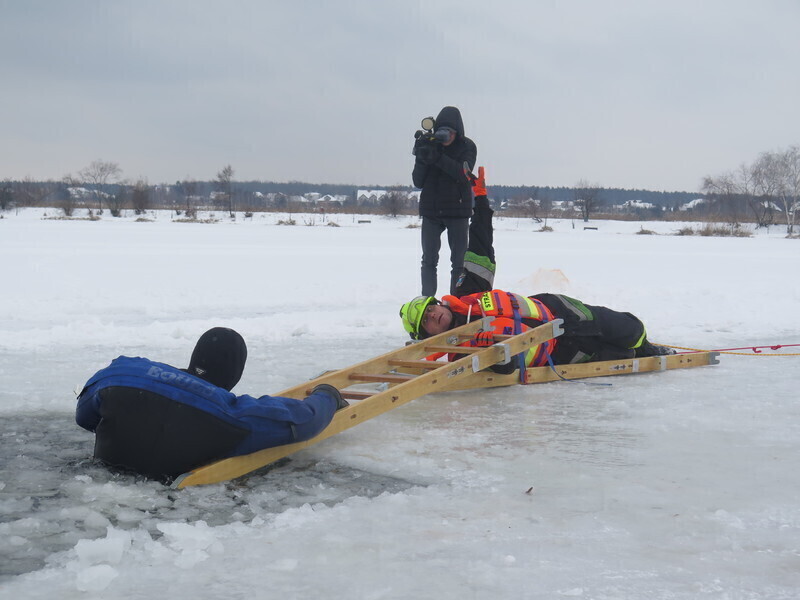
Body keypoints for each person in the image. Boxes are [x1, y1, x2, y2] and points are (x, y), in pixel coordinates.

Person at [399, 172, 674, 371]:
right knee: (616, 354)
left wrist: (480, 201)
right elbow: (505, 370)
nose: (434, 314)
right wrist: (492, 353)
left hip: (560, 311)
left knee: (630, 328)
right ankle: (640, 352)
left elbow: (480, 248)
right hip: (560, 352)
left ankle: (646, 346)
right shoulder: (460, 356)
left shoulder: (467, 295)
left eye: (430, 308)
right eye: (427, 321)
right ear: (429, 336)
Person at [76, 327, 348, 482]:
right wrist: (327, 394)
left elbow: (84, 417)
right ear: (235, 374)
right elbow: (304, 420)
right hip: (154, 497)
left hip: (97, 477)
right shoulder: (232, 414)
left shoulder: (126, 372)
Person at [412, 105, 477, 296]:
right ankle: (427, 301)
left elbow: (463, 174)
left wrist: (437, 158)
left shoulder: (467, 147)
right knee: (428, 260)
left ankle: (455, 303)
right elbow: (418, 181)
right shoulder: (429, 145)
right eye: (441, 132)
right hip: (431, 211)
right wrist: (423, 157)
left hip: (458, 211)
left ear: (457, 133)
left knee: (459, 263)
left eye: (449, 133)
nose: (445, 137)